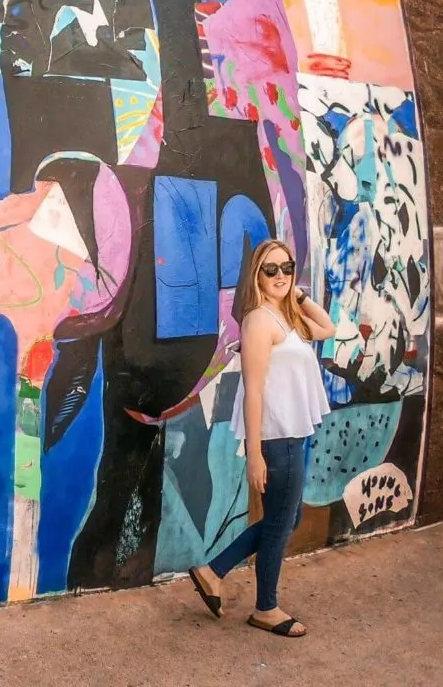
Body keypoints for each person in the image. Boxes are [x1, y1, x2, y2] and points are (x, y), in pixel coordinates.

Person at [189, 238, 335, 638]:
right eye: (270, 270)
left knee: (287, 518)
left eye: (286, 267)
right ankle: (266, 608)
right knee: (278, 525)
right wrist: (254, 454)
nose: (280, 276)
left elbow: (328, 327)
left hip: (292, 436)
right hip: (277, 441)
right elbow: (252, 390)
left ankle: (211, 571)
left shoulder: (286, 317)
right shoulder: (258, 321)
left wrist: (298, 293)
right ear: (256, 275)